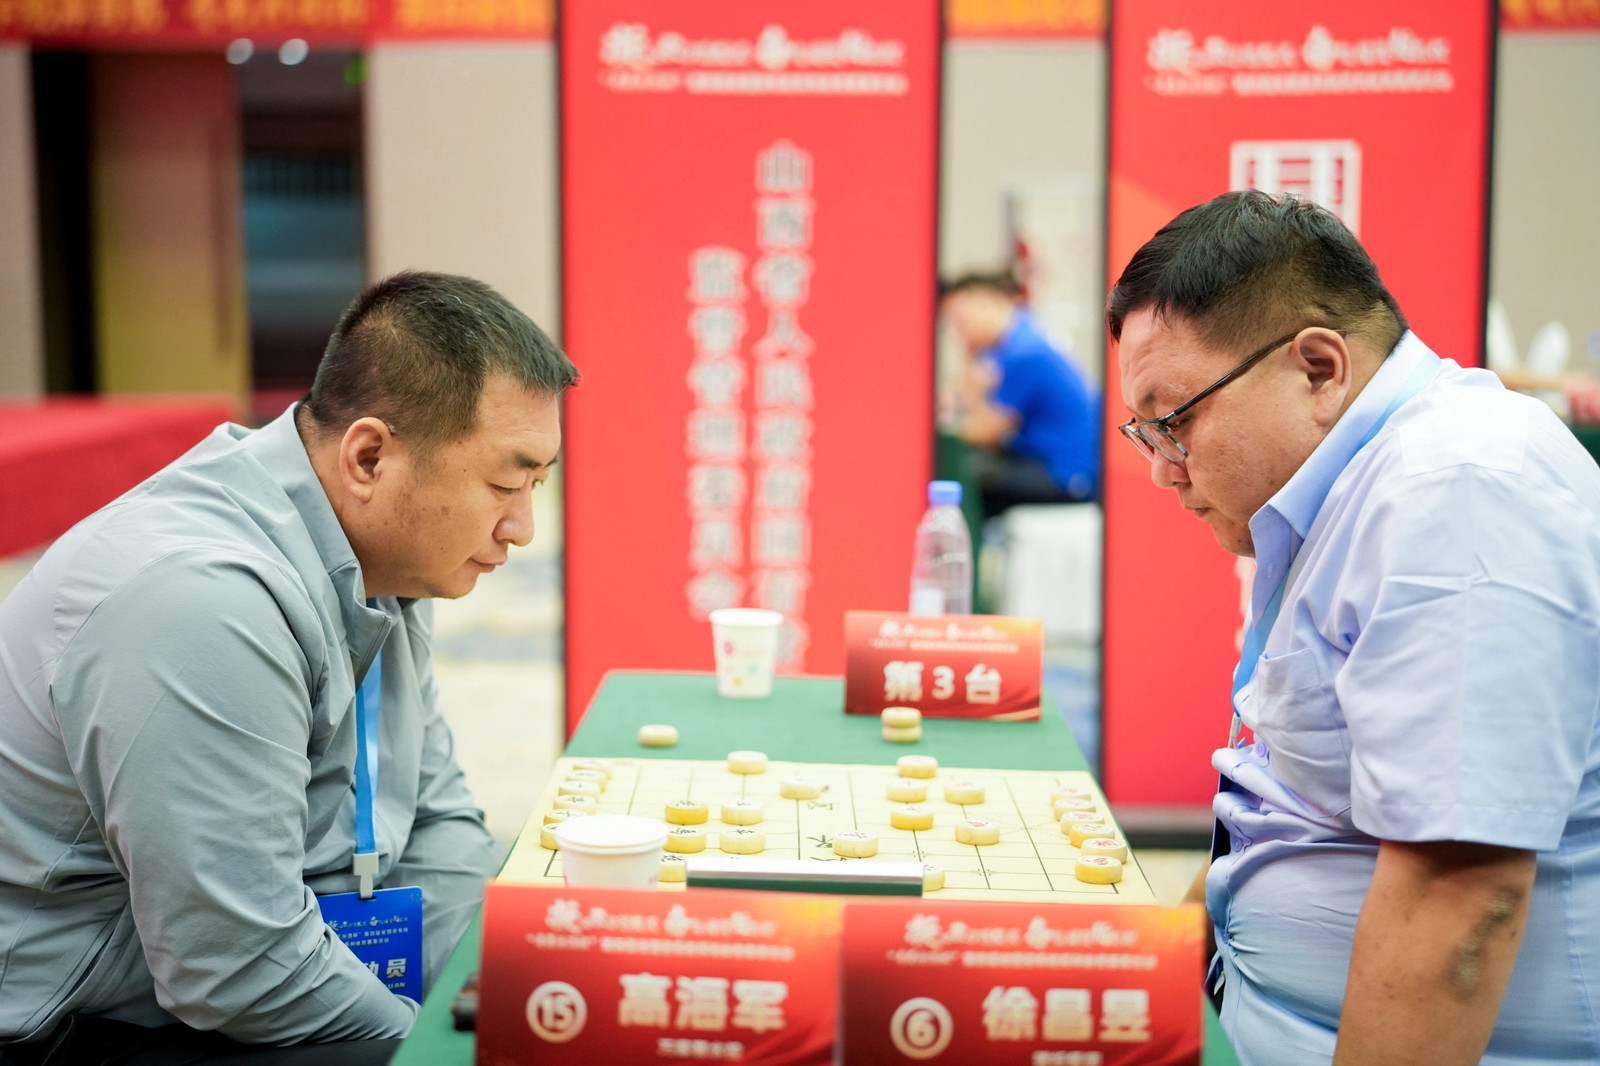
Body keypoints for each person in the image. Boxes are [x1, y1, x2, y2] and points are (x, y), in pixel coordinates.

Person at [0, 271, 578, 1064]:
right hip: (73, 1028)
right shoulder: (201, 601)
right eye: (506, 483)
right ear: (369, 457)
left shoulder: (386, 563)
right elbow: (237, 968)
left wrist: (490, 991)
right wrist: (435, 1048)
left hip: (238, 977)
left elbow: (436, 825)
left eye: (538, 484)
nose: (523, 527)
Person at [1109, 189, 1600, 1065]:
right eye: (1144, 432)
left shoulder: (1458, 491)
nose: (1162, 470)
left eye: (1174, 421)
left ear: (1318, 368)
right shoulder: (1339, 492)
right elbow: (1278, 806)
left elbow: (1461, 900)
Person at [939, 271, 1100, 520]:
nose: (959, 332)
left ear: (986, 302)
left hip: (1066, 473)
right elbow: (970, 406)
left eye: (960, 321)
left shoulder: (1024, 351)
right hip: (1041, 460)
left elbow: (986, 432)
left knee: (966, 478)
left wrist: (939, 428)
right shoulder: (1011, 343)